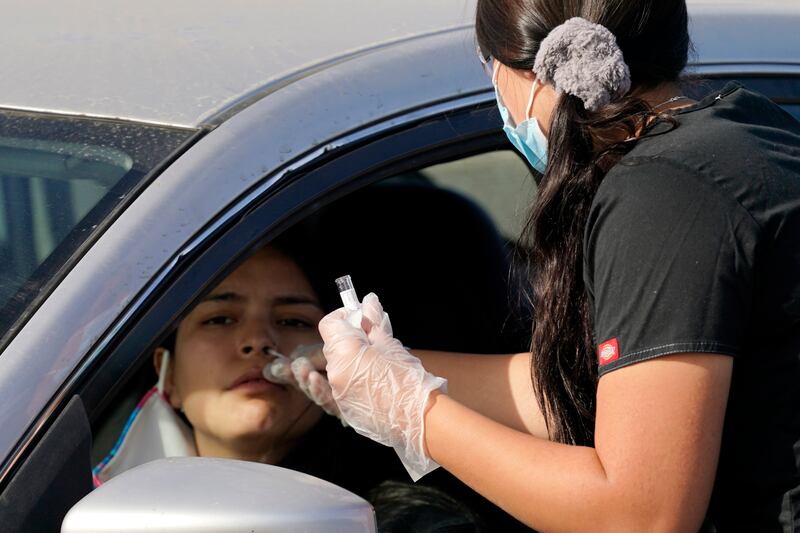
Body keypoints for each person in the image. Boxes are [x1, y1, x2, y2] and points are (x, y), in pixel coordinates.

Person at [287, 1, 800, 531]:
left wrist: (413, 412)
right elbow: (596, 390)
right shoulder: (740, 128)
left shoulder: (664, 192)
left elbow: (640, 516)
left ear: (527, 73)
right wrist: (389, 374)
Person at [93, 245, 406, 499]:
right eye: (220, 319)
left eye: (293, 321)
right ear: (168, 374)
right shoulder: (102, 506)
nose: (257, 341)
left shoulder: (397, 520)